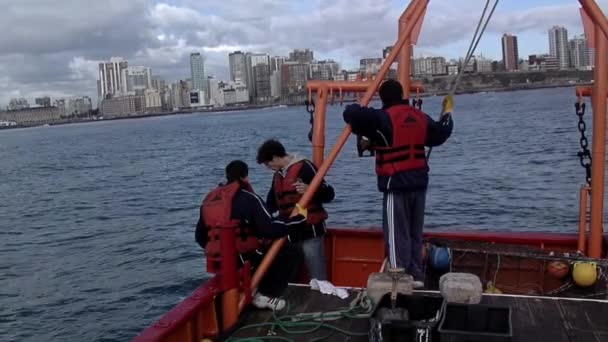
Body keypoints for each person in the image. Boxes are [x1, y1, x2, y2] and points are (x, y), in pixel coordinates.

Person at [342, 79, 453, 286]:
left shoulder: (383, 118)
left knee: (395, 233)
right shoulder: (420, 116)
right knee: (414, 231)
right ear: (402, 95)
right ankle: (416, 274)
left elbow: (351, 114)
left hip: (395, 183)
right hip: (419, 183)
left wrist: (356, 105)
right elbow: (441, 133)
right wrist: (447, 112)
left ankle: (398, 276)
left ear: (383, 97)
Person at [195, 160, 307, 311]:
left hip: (219, 264)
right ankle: (268, 294)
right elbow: (269, 229)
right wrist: (298, 220)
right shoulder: (248, 199)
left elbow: (200, 238)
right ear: (245, 177)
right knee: (291, 251)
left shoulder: (208, 201)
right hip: (244, 261)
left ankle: (252, 293)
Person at [256, 139, 335, 281]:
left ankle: (321, 297)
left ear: (274, 157)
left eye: (268, 164)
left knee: (316, 272)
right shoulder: (278, 176)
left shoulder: (305, 167)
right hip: (291, 232)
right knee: (290, 270)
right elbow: (271, 204)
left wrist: (310, 190)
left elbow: (329, 194)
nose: (269, 168)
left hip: (310, 230)